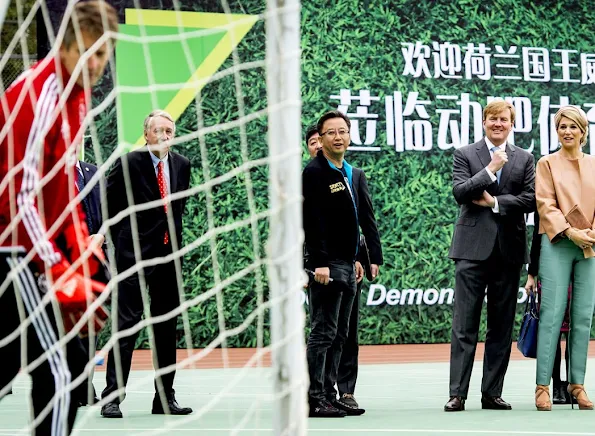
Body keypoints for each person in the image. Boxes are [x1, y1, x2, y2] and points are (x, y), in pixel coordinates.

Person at [0, 1, 117, 434]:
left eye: (103, 53)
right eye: (87, 52)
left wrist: (82, 252)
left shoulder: (78, 97)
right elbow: (18, 197)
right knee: (64, 372)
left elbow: (62, 189)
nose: (96, 63)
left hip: (35, 248)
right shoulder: (39, 94)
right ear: (65, 47)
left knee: (23, 363)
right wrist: (57, 268)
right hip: (13, 250)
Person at [100, 110, 192, 418]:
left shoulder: (182, 165)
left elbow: (176, 210)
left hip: (169, 259)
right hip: (133, 258)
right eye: (158, 130)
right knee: (126, 326)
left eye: (169, 130)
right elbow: (110, 207)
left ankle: (165, 398)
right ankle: (112, 397)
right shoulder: (129, 163)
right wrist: (122, 243)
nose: (164, 134)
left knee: (166, 329)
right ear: (146, 134)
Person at [445, 100, 535, 412]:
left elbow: (530, 199)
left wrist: (495, 204)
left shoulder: (524, 158)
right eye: (493, 118)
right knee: (464, 326)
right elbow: (460, 191)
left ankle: (491, 394)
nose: (498, 124)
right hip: (471, 251)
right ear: (484, 121)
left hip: (508, 252)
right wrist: (490, 169)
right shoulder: (465, 154)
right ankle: (457, 393)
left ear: (512, 124)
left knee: (500, 327)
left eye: (504, 120)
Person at [534, 105, 595, 411]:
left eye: (573, 127)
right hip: (557, 242)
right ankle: (543, 386)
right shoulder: (546, 163)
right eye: (562, 127)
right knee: (552, 314)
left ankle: (577, 384)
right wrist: (571, 232)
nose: (567, 131)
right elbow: (545, 204)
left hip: (590, 246)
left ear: (584, 132)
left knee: (583, 316)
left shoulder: (594, 164)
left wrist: (591, 233)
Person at [302, 110, 363, 418]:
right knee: (323, 331)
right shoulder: (314, 172)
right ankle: (313, 399)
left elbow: (352, 222)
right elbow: (312, 222)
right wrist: (320, 264)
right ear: (321, 139)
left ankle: (328, 394)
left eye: (343, 131)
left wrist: (357, 259)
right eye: (331, 133)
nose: (338, 137)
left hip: (347, 264)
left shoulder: (343, 171)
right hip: (327, 266)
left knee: (339, 333)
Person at [335, 171, 382, 416]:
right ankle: (319, 391)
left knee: (348, 330)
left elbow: (365, 218)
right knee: (322, 332)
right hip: (318, 266)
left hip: (352, 264)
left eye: (342, 130)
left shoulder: (353, 176)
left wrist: (371, 257)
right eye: (314, 142)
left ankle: (346, 391)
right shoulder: (306, 177)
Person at [524, 211, 572, 405]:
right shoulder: (545, 201)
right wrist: (531, 274)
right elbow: (537, 236)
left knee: (573, 332)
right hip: (551, 272)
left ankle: (573, 385)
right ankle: (557, 386)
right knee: (553, 331)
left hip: (577, 272)